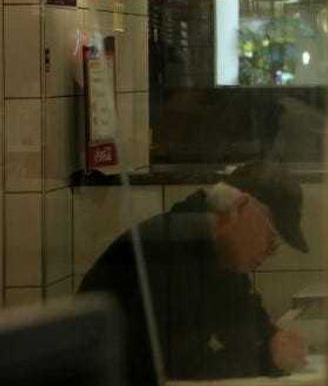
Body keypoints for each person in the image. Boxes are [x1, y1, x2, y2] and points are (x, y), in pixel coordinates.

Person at [78, 161, 311, 385]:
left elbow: (242, 318)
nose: (270, 251)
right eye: (271, 237)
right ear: (240, 208)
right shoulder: (171, 251)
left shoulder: (218, 251)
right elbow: (183, 371)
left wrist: (274, 338)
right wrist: (267, 358)